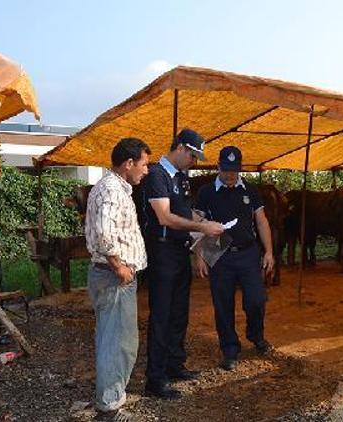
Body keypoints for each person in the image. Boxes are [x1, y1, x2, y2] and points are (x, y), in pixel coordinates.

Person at [141, 128, 224, 399]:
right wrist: (200, 225)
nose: (194, 161)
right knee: (162, 315)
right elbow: (164, 217)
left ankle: (175, 365)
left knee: (179, 313)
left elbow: (185, 212)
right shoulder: (157, 176)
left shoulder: (181, 178)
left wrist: (201, 224)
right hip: (162, 253)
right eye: (192, 155)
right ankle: (155, 379)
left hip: (179, 251)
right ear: (180, 148)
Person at [85, 138, 151, 421]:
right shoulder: (112, 189)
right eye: (144, 164)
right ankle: (110, 408)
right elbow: (103, 233)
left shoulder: (114, 188)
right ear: (129, 164)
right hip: (114, 277)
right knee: (117, 343)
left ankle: (110, 400)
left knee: (115, 339)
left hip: (112, 276)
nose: (146, 171)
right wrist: (119, 266)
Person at [193, 146, 274, 370]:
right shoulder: (206, 192)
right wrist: (199, 255)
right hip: (218, 253)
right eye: (226, 170)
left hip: (248, 253)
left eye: (234, 170)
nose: (230, 175)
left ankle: (255, 335)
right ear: (218, 166)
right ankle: (229, 349)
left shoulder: (250, 190)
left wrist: (268, 251)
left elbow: (262, 221)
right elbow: (196, 224)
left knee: (257, 300)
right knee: (223, 304)